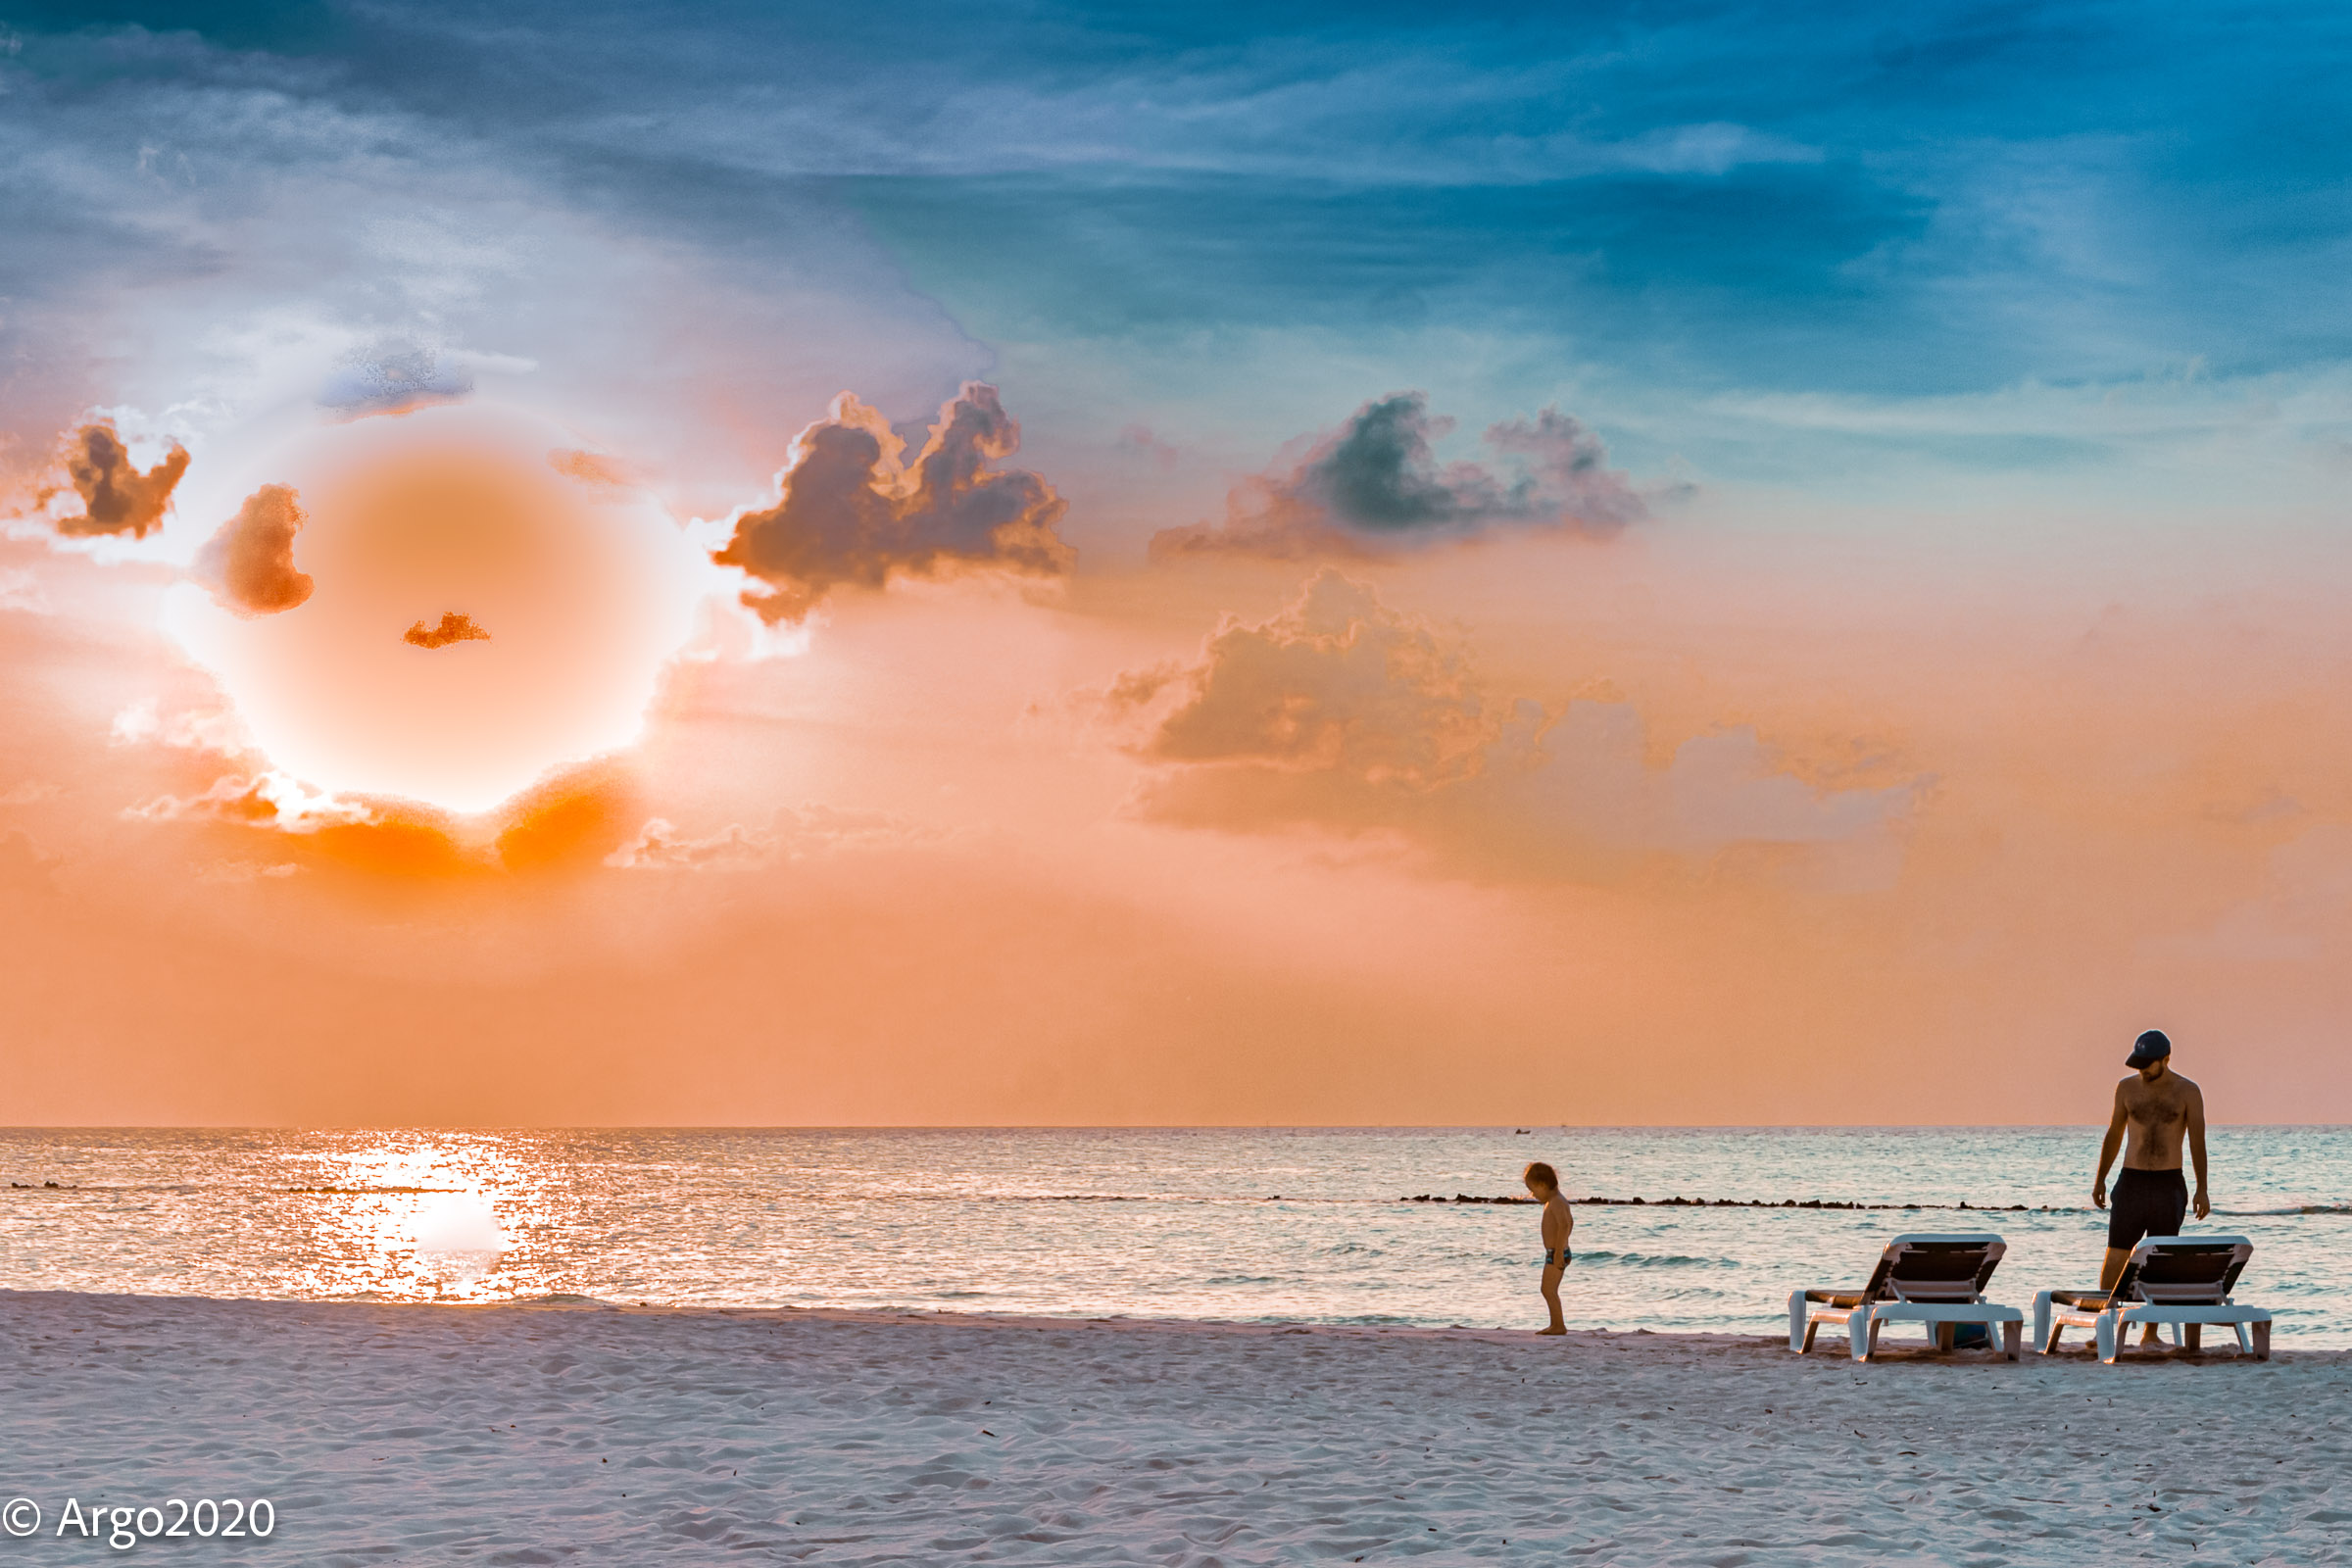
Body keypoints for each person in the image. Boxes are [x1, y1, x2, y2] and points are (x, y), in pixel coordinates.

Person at [2091, 1028, 2211, 1347]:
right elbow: (2114, 1134)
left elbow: (2197, 1141)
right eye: (2138, 1064)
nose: (2142, 1070)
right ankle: (2105, 1327)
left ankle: (2151, 1333)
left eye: (2148, 1064)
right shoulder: (2126, 1088)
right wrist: (2101, 1178)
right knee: (2116, 1255)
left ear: (2166, 1059)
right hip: (2131, 1181)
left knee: (2159, 1259)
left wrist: (2202, 1188)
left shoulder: (2188, 1091)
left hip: (2168, 1184)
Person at [1522, 1161, 1575, 1336]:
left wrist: (1560, 1250)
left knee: (1548, 1290)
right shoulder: (1555, 1201)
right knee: (1548, 1289)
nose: (1532, 1194)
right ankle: (1555, 1324)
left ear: (1543, 1185)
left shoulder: (1557, 1202)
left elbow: (1565, 1225)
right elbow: (1570, 1222)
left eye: (1533, 1189)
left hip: (1557, 1252)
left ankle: (1558, 1325)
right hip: (1555, 1252)